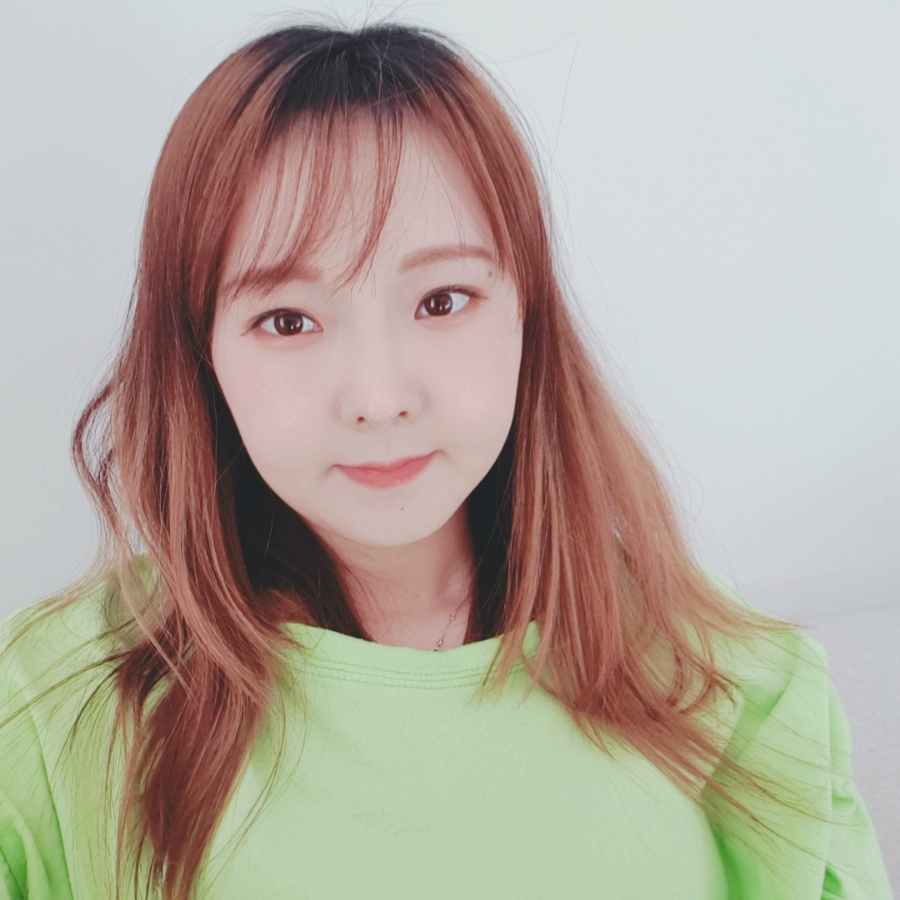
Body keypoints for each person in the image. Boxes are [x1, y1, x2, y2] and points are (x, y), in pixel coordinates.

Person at [0, 20, 892, 900]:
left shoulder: (739, 685)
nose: (378, 396)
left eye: (441, 300)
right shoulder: (52, 708)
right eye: (288, 320)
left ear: (526, 314)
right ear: (202, 355)